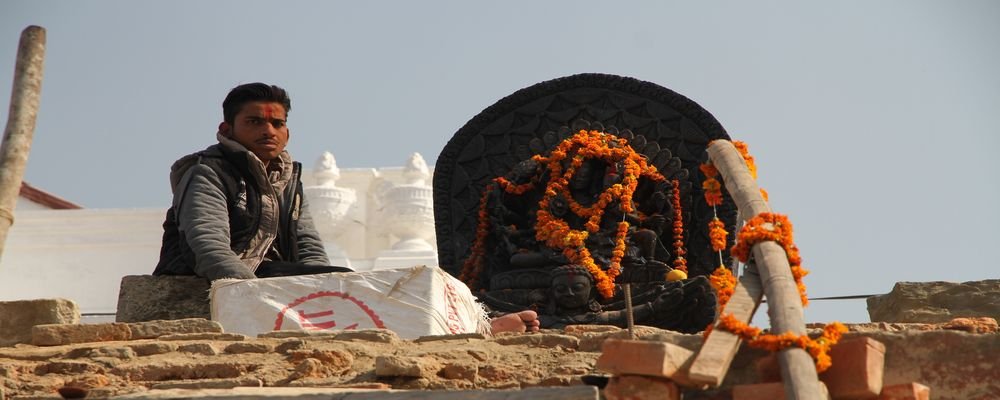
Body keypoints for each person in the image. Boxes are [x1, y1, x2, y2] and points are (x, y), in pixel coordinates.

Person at [154, 82, 350, 280]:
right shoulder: (208, 172)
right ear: (226, 130)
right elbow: (207, 244)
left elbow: (309, 249)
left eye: (277, 124)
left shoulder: (288, 182)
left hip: (273, 277)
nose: (269, 131)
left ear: (287, 134)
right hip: (213, 278)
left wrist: (324, 287)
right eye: (254, 122)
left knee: (343, 280)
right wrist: (253, 293)